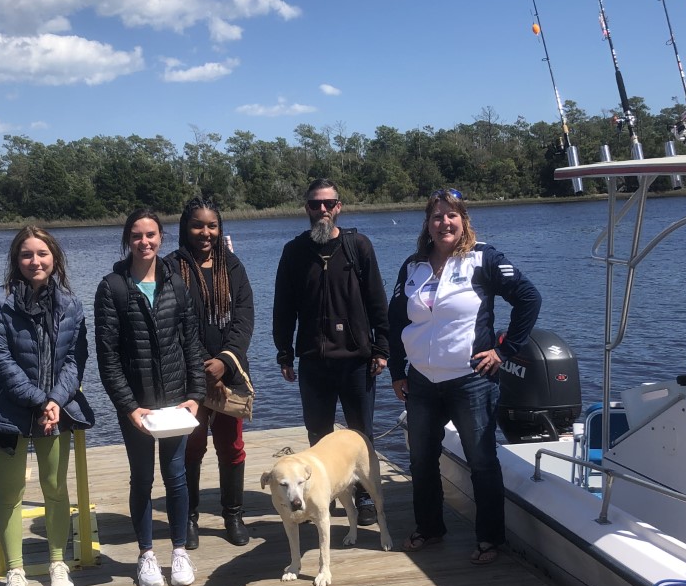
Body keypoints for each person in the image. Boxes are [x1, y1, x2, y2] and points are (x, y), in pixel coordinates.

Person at [387, 189, 541, 563]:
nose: (444, 223)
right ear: (427, 225)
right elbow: (395, 321)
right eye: (437, 217)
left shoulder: (484, 259)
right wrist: (396, 370)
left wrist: (504, 351)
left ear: (464, 220)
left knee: (482, 462)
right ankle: (429, 528)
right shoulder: (413, 266)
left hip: (470, 380)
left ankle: (490, 538)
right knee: (421, 460)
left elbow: (529, 298)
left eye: (451, 215)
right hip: (421, 381)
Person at [0, 226, 92, 586]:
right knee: (9, 494)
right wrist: (40, 401)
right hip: (6, 413)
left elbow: (77, 360)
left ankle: (58, 561)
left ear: (54, 258)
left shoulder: (71, 306)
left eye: (42, 254)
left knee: (55, 488)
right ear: (16, 260)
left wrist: (56, 400)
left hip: (54, 412)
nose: (35, 261)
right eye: (27, 255)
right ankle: (15, 569)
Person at [95, 208, 207, 586]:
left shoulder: (177, 283)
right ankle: (145, 555)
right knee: (142, 479)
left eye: (152, 235)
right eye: (138, 235)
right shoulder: (112, 287)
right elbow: (107, 356)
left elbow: (191, 343)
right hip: (138, 406)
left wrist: (196, 395)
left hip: (175, 402)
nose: (145, 242)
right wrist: (128, 406)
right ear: (128, 239)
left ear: (162, 238)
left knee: (176, 478)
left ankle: (178, 551)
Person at [272, 179, 390, 525]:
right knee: (317, 436)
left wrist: (382, 347)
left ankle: (366, 498)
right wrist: (284, 351)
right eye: (314, 205)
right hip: (313, 361)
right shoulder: (294, 252)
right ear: (306, 209)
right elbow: (283, 308)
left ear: (339, 206)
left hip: (357, 360)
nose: (322, 210)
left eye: (328, 204)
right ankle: (323, 494)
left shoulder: (358, 247)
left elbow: (377, 301)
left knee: (361, 435)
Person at [172, 197, 255, 548]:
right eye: (197, 225)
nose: (205, 232)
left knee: (231, 447)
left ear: (219, 229)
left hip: (229, 375)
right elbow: (173, 324)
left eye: (212, 225)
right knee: (191, 448)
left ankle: (232, 514)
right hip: (189, 379)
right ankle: (189, 517)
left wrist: (223, 360)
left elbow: (244, 320)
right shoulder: (171, 268)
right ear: (185, 228)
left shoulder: (232, 267)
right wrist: (203, 368)